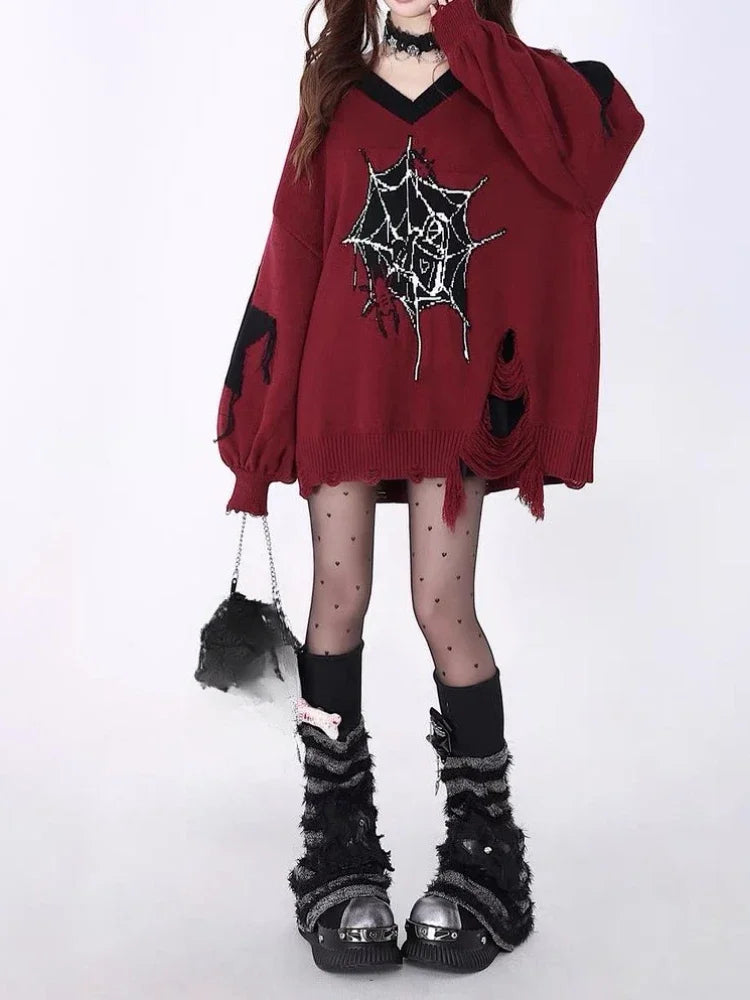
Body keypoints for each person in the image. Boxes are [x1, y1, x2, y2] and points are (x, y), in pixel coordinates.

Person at [214, 0, 645, 974]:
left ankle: (486, 853)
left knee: (441, 602)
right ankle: (338, 848)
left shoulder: (503, 92)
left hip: (451, 402)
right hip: (340, 395)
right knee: (338, 598)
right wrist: (258, 417)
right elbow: (293, 249)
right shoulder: (336, 95)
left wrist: (474, 38)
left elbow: (588, 150)